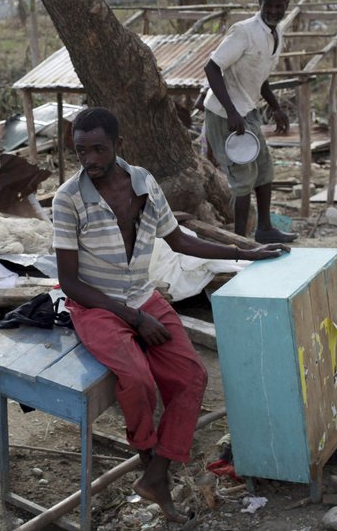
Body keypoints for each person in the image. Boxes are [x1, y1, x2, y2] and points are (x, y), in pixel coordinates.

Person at [53, 107, 288, 524]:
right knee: (139, 381)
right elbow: (70, 282)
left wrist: (244, 252)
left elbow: (178, 240)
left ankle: (157, 474)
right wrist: (132, 318)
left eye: (98, 149)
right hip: (95, 304)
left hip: (143, 296)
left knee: (192, 377)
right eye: (81, 150)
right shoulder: (68, 198)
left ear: (118, 146)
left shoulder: (143, 182)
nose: (89, 159)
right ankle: (149, 459)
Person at [203, 0, 298, 244]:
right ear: (260, 2)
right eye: (269, 4)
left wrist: (276, 106)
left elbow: (260, 75)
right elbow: (212, 67)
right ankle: (240, 242)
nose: (275, 10)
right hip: (226, 115)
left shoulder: (276, 32)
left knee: (265, 170)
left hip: (248, 109)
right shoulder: (243, 31)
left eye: (280, 5)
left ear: (286, 4)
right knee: (243, 178)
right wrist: (231, 111)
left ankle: (265, 228)